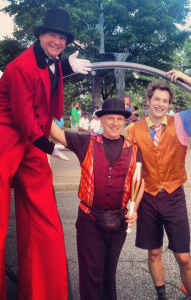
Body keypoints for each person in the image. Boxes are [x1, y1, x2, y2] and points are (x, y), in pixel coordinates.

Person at [0, 8, 92, 300]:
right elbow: (23, 116)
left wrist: (66, 66)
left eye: (62, 37)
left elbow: (46, 74)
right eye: (52, 34)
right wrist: (49, 147)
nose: (57, 40)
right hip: (4, 142)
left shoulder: (50, 61)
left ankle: (45, 293)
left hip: (29, 141)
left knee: (45, 219)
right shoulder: (19, 66)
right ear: (40, 35)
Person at [49, 97, 145, 300]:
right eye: (110, 118)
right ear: (101, 120)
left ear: (125, 122)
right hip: (89, 220)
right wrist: (40, 101)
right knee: (91, 274)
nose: (115, 123)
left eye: (120, 119)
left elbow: (140, 181)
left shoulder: (134, 149)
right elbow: (54, 131)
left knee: (109, 271)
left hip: (119, 221)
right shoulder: (86, 142)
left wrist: (134, 208)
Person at [124, 70, 191, 300]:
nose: (160, 104)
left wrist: (186, 79)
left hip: (173, 196)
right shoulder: (132, 131)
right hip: (147, 198)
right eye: (156, 99)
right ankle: (161, 295)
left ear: (170, 104)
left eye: (165, 101)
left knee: (184, 257)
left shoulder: (180, 122)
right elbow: (127, 169)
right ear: (148, 100)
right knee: (154, 252)